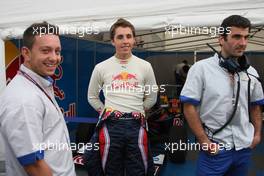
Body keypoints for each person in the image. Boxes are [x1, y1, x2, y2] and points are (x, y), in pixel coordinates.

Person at [180, 15, 264, 176]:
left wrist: (257, 135)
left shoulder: (251, 72)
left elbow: (255, 106)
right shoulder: (201, 69)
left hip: (243, 148)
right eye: (237, 37)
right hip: (216, 148)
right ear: (221, 39)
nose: (243, 43)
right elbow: (189, 107)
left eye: (246, 37)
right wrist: (204, 140)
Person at [0, 22, 76, 176]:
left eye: (57, 51)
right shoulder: (23, 98)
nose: (54, 58)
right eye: (46, 50)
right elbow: (34, 165)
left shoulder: (35, 85)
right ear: (26, 53)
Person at [86, 18, 157, 176]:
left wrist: (137, 110)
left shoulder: (145, 66)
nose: (125, 41)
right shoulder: (101, 67)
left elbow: (152, 96)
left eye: (129, 36)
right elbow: (92, 96)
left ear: (134, 39)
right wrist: (107, 111)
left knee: (139, 171)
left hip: (136, 125)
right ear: (112, 41)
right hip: (110, 126)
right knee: (110, 170)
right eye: (120, 37)